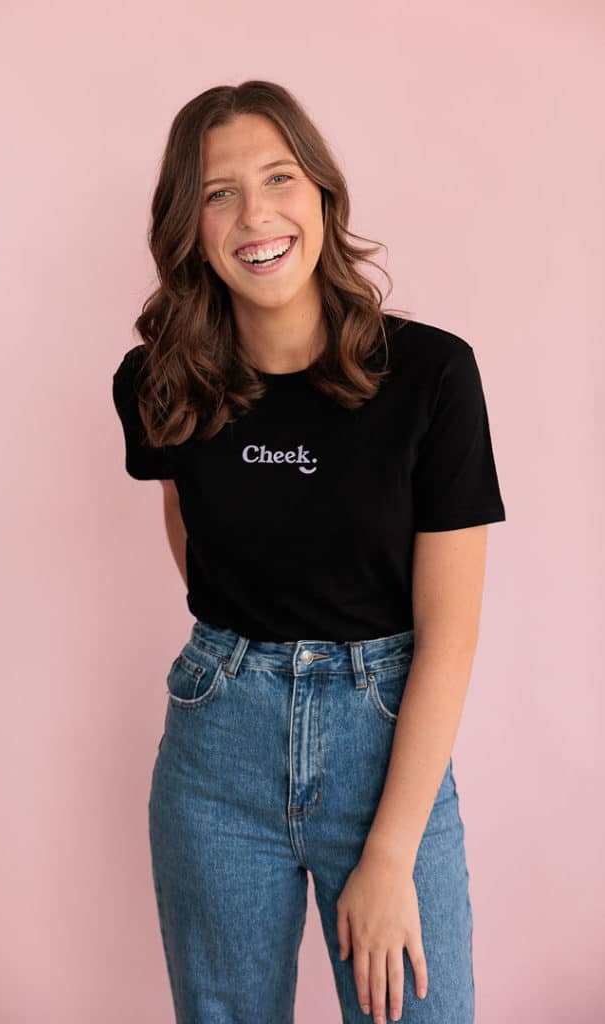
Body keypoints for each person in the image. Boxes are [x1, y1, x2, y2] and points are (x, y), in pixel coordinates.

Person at [112, 80, 506, 1024]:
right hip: (216, 752)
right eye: (217, 192)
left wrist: (388, 852)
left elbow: (448, 636)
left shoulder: (429, 374)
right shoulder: (158, 380)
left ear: (322, 197)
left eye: (278, 177)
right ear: (191, 225)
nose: (255, 214)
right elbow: (196, 541)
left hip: (385, 743)